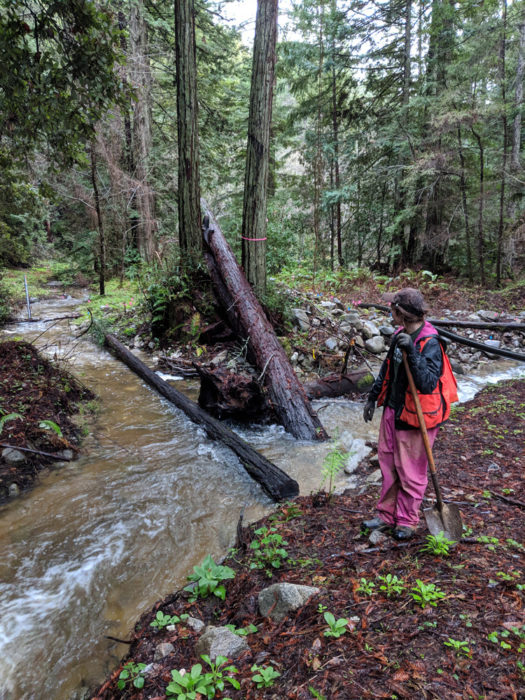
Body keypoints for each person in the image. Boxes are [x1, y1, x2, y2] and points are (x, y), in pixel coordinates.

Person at [362, 288, 458, 540]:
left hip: (416, 418)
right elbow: (387, 369)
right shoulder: (398, 335)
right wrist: (372, 398)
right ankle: (386, 515)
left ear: (400, 313)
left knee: (410, 470)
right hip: (393, 410)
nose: (388, 312)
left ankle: (407, 520)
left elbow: (426, 383)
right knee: (387, 463)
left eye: (391, 309)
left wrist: (413, 352)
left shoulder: (431, 342)